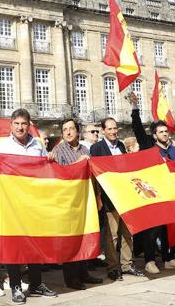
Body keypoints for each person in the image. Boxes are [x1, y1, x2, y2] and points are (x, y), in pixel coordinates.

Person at [0, 108, 57, 305]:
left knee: (35, 243)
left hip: (33, 204)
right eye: (17, 124)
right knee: (14, 246)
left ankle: (36, 283)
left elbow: (43, 170)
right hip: (11, 204)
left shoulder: (37, 146)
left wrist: (49, 159)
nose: (20, 127)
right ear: (10, 125)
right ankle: (15, 286)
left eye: (24, 124)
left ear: (29, 125)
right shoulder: (1, 145)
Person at [128, 92, 175, 274]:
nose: (164, 134)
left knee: (168, 229)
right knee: (153, 229)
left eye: (166, 131)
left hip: (171, 194)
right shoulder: (148, 145)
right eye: (160, 132)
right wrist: (135, 108)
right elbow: (138, 128)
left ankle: (169, 258)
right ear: (154, 136)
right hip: (153, 194)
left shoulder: (174, 150)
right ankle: (149, 261)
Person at [90, 117, 144, 280]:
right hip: (109, 198)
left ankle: (127, 265)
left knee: (127, 233)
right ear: (103, 131)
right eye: (110, 129)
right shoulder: (96, 148)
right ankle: (112, 267)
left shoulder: (121, 146)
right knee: (112, 235)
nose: (114, 131)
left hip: (124, 196)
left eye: (115, 128)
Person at [51, 119, 103, 290]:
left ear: (77, 132)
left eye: (71, 129)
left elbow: (92, 175)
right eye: (65, 129)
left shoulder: (85, 149)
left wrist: (98, 196)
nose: (68, 132)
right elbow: (59, 175)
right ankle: (71, 279)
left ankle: (84, 273)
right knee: (70, 240)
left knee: (84, 236)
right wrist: (78, 163)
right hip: (67, 202)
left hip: (84, 200)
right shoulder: (58, 150)